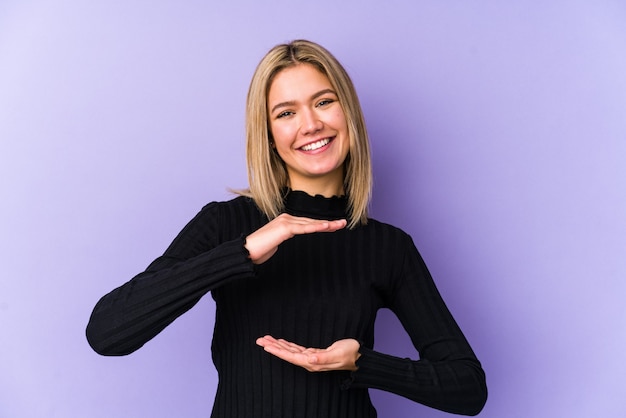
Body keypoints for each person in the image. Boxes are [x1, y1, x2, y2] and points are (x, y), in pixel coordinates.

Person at [86, 39, 487, 417]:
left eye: (324, 102)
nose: (310, 124)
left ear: (348, 113)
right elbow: (107, 333)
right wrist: (241, 253)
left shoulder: (387, 246)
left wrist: (362, 363)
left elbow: (468, 388)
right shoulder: (227, 223)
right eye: (286, 112)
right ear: (269, 135)